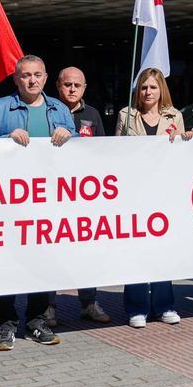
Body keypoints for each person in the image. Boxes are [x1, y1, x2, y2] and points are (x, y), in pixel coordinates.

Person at [0, 55, 75, 350]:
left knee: (42, 263)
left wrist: (70, 135)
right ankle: (6, 324)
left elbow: (79, 155)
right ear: (16, 79)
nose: (31, 80)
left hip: (47, 202)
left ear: (45, 78)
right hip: (7, 202)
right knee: (7, 263)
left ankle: (37, 321)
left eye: (37, 75)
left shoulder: (60, 109)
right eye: (25, 75)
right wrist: (4, 139)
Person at [116, 67, 193, 328]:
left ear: (162, 90)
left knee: (163, 249)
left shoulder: (176, 116)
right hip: (135, 193)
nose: (148, 92)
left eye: (153, 87)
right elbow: (117, 154)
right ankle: (137, 307)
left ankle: (164, 305)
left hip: (164, 192)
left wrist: (184, 139)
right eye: (144, 87)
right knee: (136, 250)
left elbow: (182, 155)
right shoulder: (126, 115)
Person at [50, 66, 111, 325]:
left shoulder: (93, 114)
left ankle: (88, 303)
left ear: (84, 88)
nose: (72, 89)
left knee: (88, 252)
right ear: (58, 86)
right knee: (51, 253)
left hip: (85, 198)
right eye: (67, 84)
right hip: (52, 195)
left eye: (77, 85)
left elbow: (103, 152)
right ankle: (48, 307)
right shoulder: (48, 111)